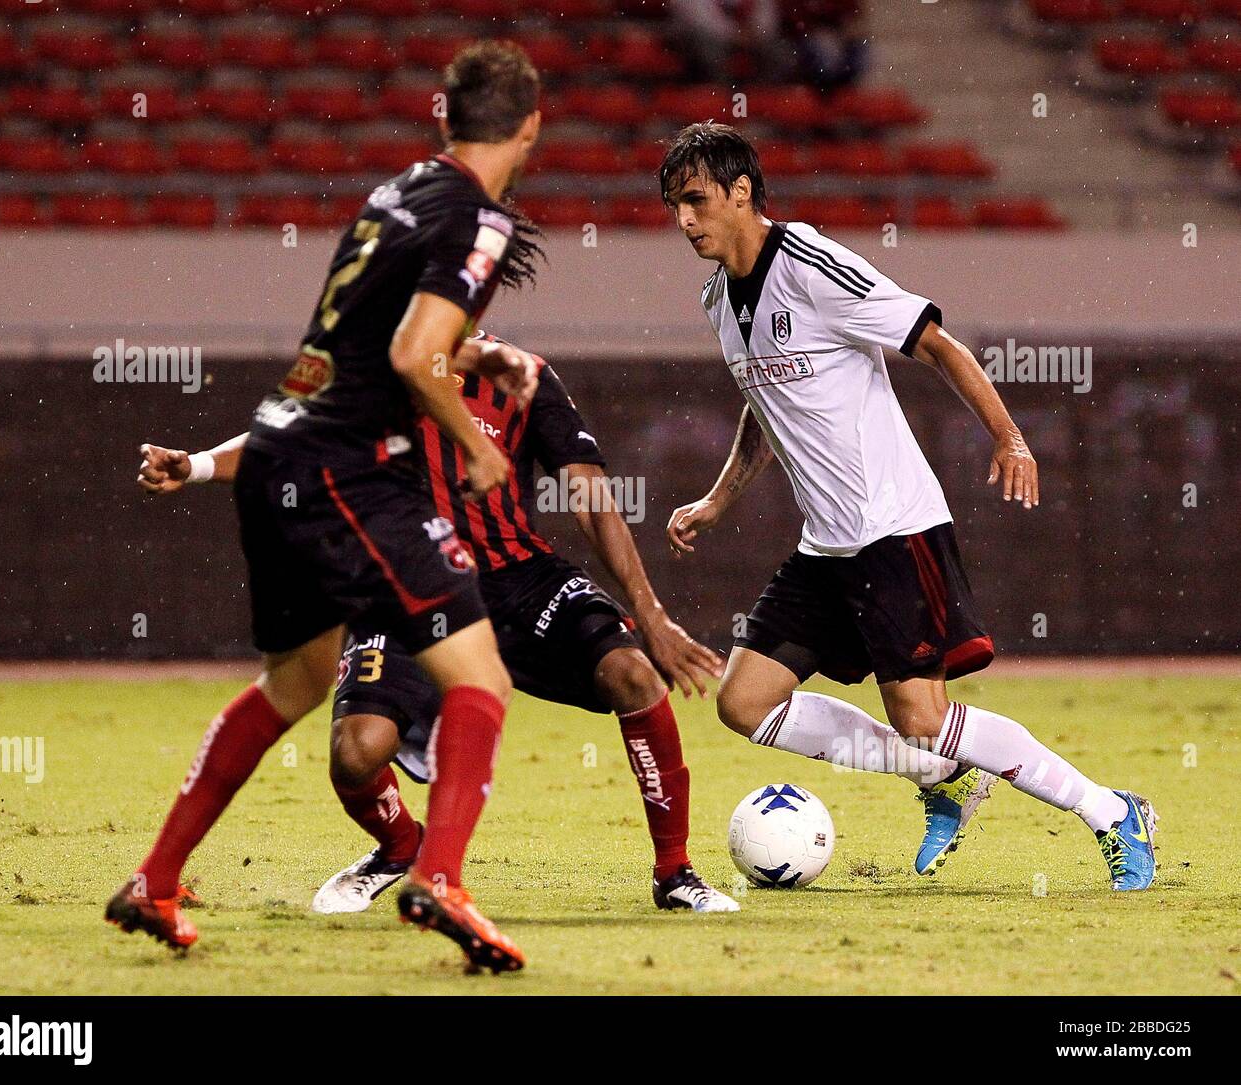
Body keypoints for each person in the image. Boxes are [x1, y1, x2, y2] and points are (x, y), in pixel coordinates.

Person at [107, 41, 547, 973]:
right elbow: (408, 356)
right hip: (351, 468)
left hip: (276, 452)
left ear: (441, 118)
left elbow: (376, 335)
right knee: (481, 677)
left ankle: (156, 878)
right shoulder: (483, 217)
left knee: (295, 686)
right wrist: (476, 443)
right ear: (533, 127)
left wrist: (476, 356)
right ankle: (443, 878)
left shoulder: (397, 192)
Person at [659, 122, 1157, 890]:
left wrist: (1009, 436)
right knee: (747, 701)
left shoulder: (814, 266)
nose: (684, 221)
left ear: (741, 193)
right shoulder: (718, 299)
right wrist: (719, 498)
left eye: (695, 201)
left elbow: (936, 342)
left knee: (922, 716)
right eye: (674, 207)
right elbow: (764, 403)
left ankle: (1112, 811)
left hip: (894, 527)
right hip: (827, 544)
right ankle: (943, 780)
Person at [135, 330, 739, 918]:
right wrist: (198, 465)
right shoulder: (375, 367)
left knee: (631, 673)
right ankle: (401, 849)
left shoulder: (523, 374)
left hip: (518, 580)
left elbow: (591, 497)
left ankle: (675, 872)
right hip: (410, 583)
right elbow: (283, 440)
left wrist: (652, 615)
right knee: (356, 751)